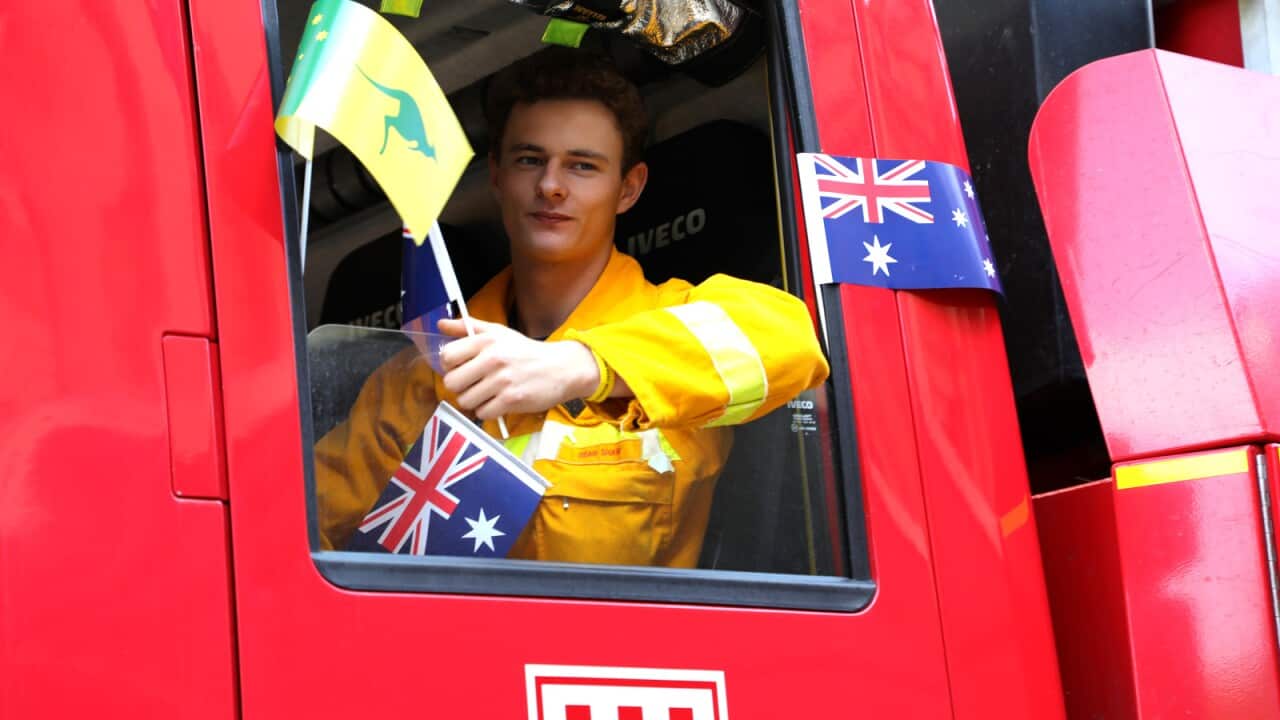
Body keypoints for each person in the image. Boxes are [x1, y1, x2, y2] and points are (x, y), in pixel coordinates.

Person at [315, 48, 829, 567]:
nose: (550, 185)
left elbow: (793, 341)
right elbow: (306, 533)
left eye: (582, 165)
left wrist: (582, 365)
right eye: (529, 160)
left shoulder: (674, 319)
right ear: (497, 177)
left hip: (621, 649)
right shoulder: (423, 371)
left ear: (628, 189)